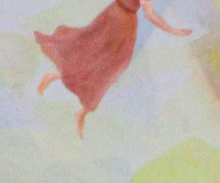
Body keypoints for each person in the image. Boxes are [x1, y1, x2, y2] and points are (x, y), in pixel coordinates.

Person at [36, 0, 192, 137]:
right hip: (114, 21)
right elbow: (150, 15)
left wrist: (174, 30)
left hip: (119, 24)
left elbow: (149, 13)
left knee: (105, 69)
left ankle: (80, 107)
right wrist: (174, 31)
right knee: (95, 60)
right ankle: (59, 81)